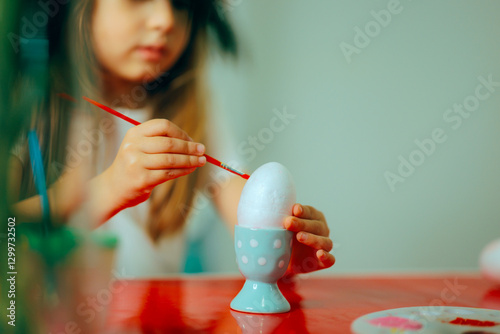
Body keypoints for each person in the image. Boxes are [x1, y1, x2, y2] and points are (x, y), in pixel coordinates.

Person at [11, 0, 335, 277]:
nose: (165, 20)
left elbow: (238, 194)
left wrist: (285, 246)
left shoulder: (195, 107)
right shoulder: (25, 105)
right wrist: (110, 188)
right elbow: (9, 233)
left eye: (181, 3)